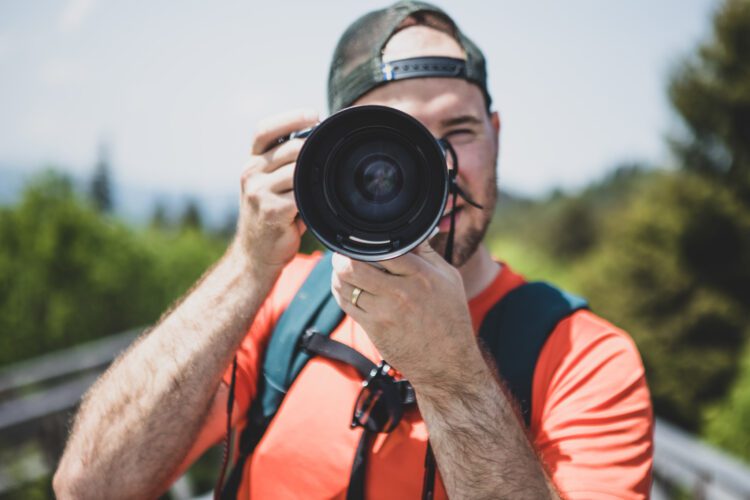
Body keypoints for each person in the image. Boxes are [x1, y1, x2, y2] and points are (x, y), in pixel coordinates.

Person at [53, 2, 653, 499]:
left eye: (459, 132)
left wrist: (453, 378)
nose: (435, 170)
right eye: (394, 140)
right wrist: (248, 264)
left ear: (496, 136)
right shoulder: (284, 300)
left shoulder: (587, 360)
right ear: (330, 153)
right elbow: (91, 486)